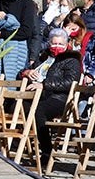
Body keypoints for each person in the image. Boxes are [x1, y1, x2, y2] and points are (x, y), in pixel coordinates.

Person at [21, 27, 82, 167]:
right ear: (49, 43)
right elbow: (24, 72)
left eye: (60, 44)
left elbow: (70, 82)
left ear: (66, 44)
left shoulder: (71, 59)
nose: (57, 47)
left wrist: (45, 85)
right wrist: (27, 72)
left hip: (60, 98)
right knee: (18, 106)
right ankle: (23, 144)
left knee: (38, 111)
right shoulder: (43, 57)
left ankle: (46, 150)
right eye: (54, 43)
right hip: (37, 95)